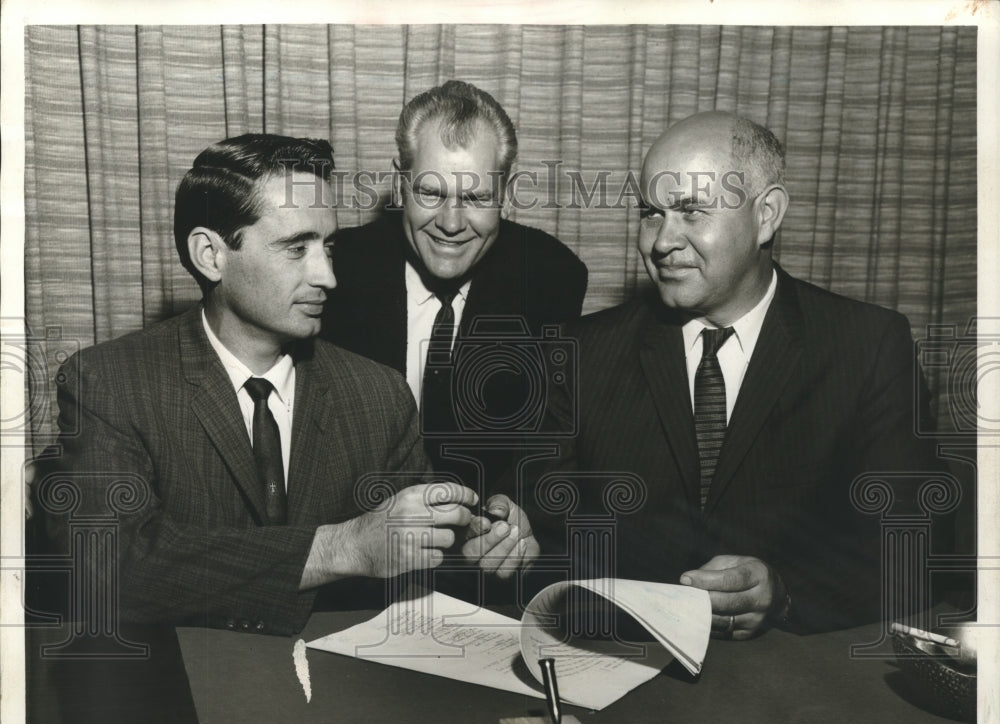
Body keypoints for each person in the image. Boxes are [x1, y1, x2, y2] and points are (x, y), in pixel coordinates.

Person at [40, 133, 536, 639]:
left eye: (328, 247)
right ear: (210, 254)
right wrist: (340, 548)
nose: (327, 277)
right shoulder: (111, 383)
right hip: (175, 680)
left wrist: (478, 546)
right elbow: (107, 567)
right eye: (296, 248)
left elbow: (414, 569)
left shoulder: (378, 395)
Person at [520, 111, 947, 636]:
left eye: (691, 211)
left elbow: (911, 551)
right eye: (651, 213)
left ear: (766, 215)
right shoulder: (581, 352)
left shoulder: (867, 346)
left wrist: (785, 593)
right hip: (623, 660)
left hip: (794, 671)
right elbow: (544, 538)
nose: (661, 242)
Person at [322, 80, 588, 498]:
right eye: (430, 192)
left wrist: (515, 511)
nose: (451, 224)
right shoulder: (335, 272)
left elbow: (547, 446)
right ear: (401, 183)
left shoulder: (550, 277)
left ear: (506, 193)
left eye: (476, 198)